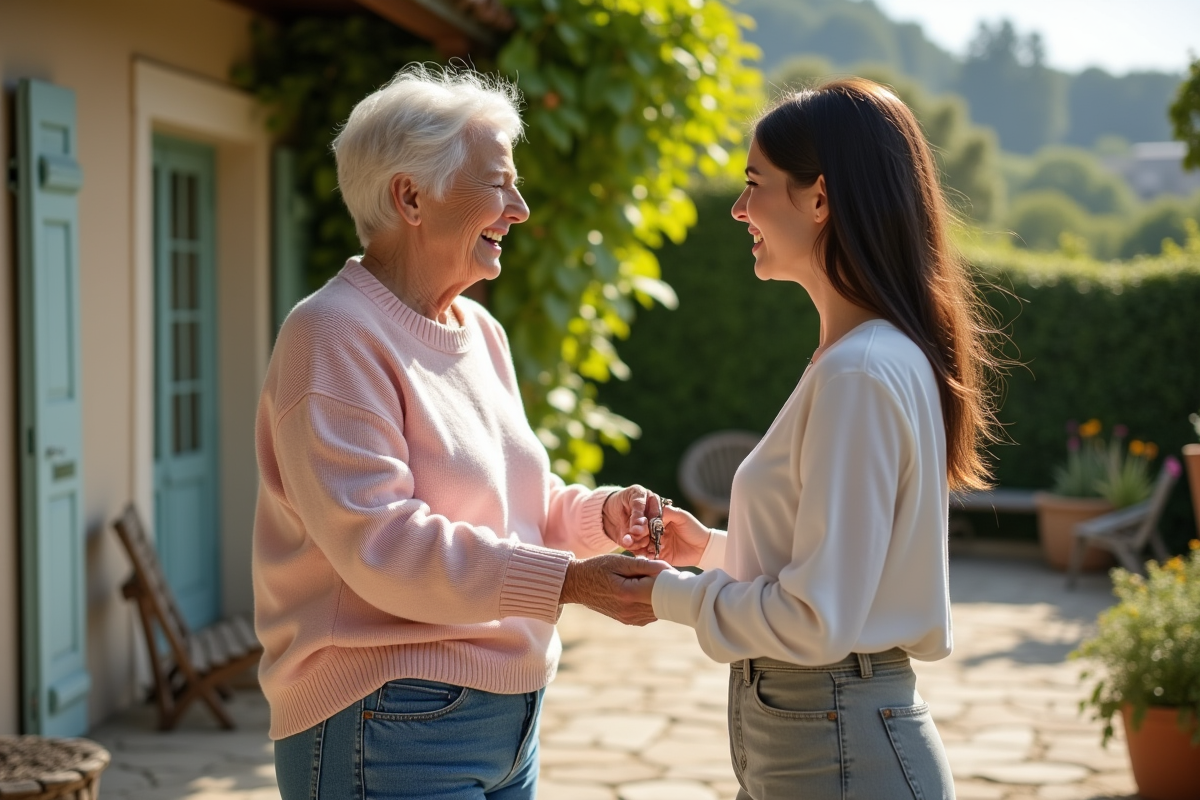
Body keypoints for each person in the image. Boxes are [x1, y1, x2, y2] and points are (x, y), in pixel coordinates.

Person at [252, 65, 666, 800]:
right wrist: (568, 583)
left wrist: (600, 517)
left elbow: (518, 508)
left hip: (508, 722)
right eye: (499, 184)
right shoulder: (332, 333)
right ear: (411, 196)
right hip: (389, 718)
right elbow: (383, 544)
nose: (521, 208)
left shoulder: (479, 331)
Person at [640, 79, 1002, 799]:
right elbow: (836, 575)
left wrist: (664, 594)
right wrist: (710, 551)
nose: (739, 208)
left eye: (753, 184)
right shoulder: (868, 359)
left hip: (838, 744)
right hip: (828, 736)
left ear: (820, 198)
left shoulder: (859, 372)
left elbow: (814, 619)